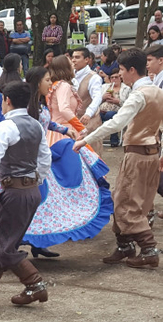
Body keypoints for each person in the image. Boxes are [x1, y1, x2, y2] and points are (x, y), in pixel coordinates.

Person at [0, 67, 112, 261]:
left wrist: (63, 129)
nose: (50, 84)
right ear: (37, 82)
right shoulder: (25, 109)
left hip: (35, 165)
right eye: (47, 80)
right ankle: (11, 254)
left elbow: (45, 124)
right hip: (27, 163)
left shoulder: (37, 104)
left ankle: (23, 250)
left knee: (37, 209)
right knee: (26, 209)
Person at [73, 48, 163, 269]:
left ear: (132, 70)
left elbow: (116, 123)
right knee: (133, 200)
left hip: (137, 153)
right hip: (151, 152)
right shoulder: (157, 92)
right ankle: (125, 246)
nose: (120, 74)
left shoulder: (139, 94)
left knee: (125, 202)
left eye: (122, 70)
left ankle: (149, 249)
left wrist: (85, 139)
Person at [0, 81, 51, 309]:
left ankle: (34, 283)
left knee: (4, 246)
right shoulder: (35, 125)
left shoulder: (6, 126)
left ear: (7, 100)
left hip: (13, 192)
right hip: (30, 191)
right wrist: (36, 180)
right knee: (2, 241)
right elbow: (45, 159)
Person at [72, 47, 103, 154]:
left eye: (77, 57)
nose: (73, 60)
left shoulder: (94, 78)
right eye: (73, 57)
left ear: (87, 60)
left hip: (90, 121)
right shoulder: (71, 75)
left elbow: (97, 97)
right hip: (73, 121)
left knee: (93, 153)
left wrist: (88, 113)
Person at [99, 68, 130, 147]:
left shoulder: (126, 89)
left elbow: (128, 104)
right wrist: (103, 98)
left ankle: (114, 140)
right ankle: (96, 140)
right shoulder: (104, 87)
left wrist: (117, 101)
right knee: (95, 115)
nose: (114, 79)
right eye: (112, 77)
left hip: (117, 112)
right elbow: (96, 102)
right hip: (102, 110)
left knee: (111, 115)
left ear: (120, 78)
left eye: (116, 77)